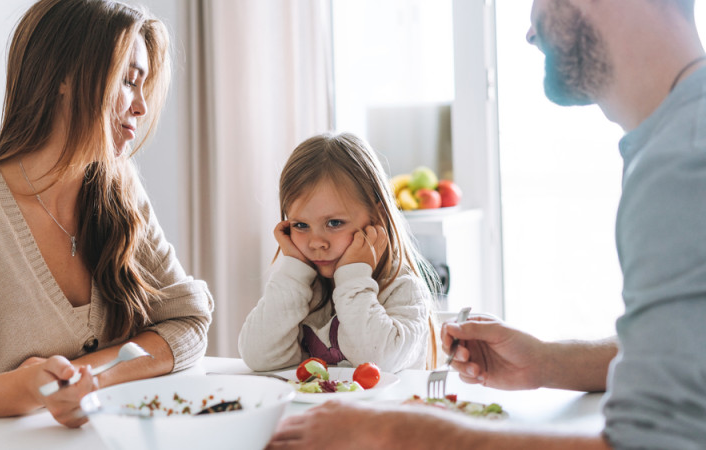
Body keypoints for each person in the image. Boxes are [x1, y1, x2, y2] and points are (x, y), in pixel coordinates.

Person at [266, 0, 706, 448]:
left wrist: (398, 432)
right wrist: (548, 362)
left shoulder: (682, 163)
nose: (530, 32)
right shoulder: (676, 144)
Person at [0, 0, 213, 440]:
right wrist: (26, 389)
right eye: (128, 81)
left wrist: (89, 378)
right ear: (65, 76)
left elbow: (187, 322)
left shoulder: (120, 192)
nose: (142, 107)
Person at [238, 132, 442, 373]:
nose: (316, 243)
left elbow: (377, 361)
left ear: (377, 218)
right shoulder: (303, 288)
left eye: (334, 223)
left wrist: (353, 277)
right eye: (301, 225)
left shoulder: (403, 289)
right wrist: (293, 271)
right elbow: (258, 357)